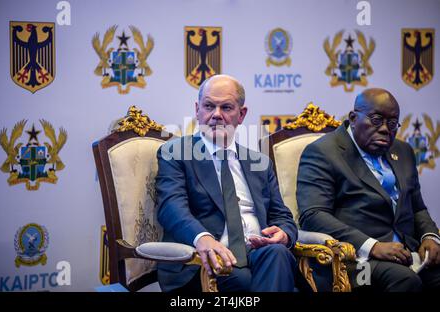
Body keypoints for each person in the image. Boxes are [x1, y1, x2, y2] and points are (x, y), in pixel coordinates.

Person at [155, 74, 298, 292]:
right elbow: (171, 207)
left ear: (241, 115)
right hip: (204, 261)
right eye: (209, 106)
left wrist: (284, 233)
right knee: (249, 281)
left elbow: (281, 215)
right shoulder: (176, 153)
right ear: (197, 109)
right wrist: (202, 238)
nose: (216, 115)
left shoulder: (259, 162)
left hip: (257, 252)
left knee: (279, 254)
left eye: (226, 108)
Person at [297, 88, 440, 291]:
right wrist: (372, 246)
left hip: (410, 253)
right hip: (356, 260)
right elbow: (313, 215)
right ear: (354, 118)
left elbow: (416, 207)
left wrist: (430, 237)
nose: (384, 129)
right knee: (405, 280)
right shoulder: (323, 152)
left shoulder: (403, 151)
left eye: (392, 124)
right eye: (376, 120)